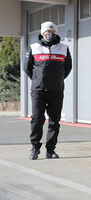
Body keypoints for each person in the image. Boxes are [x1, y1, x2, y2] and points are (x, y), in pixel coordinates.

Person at [24, 21, 72, 160]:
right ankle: (35, 148)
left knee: (54, 121)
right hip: (38, 90)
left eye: (53, 32)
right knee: (37, 119)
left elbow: (68, 67)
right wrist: (38, 80)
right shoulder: (34, 48)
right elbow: (27, 68)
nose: (50, 34)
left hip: (56, 90)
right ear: (42, 33)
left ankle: (50, 150)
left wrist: (58, 80)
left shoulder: (63, 48)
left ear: (56, 33)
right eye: (47, 32)